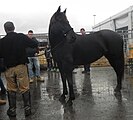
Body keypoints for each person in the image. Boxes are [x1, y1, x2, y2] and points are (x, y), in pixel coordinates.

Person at [0, 21, 38, 117]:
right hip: (21, 67)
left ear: (5, 30)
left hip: (8, 69)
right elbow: (34, 44)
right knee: (24, 88)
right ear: (14, 27)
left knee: (11, 89)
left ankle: (12, 110)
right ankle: (27, 109)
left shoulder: (2, 41)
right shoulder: (21, 37)